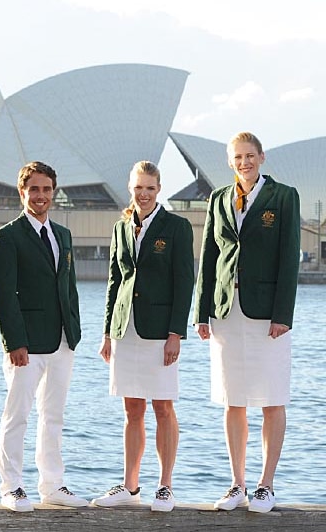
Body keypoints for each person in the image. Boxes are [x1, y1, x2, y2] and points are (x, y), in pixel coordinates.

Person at [194, 132, 300, 513]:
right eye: (238, 157)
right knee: (232, 399)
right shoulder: (218, 198)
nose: (244, 162)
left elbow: (289, 258)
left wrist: (282, 315)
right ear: (230, 161)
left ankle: (265, 486)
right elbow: (208, 256)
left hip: (267, 313)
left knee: (272, 397)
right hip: (226, 310)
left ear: (262, 157)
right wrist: (201, 312)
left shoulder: (284, 196)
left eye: (250, 155)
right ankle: (237, 484)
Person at [91, 161, 194, 512]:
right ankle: (130, 485)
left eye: (150, 188)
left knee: (163, 407)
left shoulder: (177, 227)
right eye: (138, 188)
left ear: (159, 189)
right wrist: (107, 332)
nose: (144, 194)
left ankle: (165, 486)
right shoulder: (121, 227)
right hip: (125, 330)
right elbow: (114, 282)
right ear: (130, 188)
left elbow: (184, 283)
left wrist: (176, 333)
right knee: (132, 408)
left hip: (159, 331)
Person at [0, 161, 87, 512]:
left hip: (62, 341)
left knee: (54, 417)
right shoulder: (7, 237)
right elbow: (3, 295)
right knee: (16, 417)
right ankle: (11, 486)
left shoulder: (63, 234)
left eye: (47, 189)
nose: (41, 195)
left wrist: (73, 332)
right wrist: (14, 342)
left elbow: (68, 287)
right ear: (22, 192)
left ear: (54, 193)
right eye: (34, 189)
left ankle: (52, 485)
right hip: (26, 345)